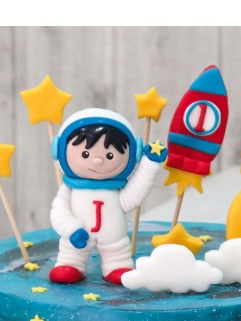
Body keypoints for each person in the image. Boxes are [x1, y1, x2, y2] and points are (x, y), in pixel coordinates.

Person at [49, 108, 167, 284]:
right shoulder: (69, 190)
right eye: (86, 154)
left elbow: (132, 199)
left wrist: (149, 164)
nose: (98, 160)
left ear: (133, 154)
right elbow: (58, 212)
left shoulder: (116, 191)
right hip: (76, 238)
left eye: (110, 155)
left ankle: (116, 266)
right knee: (71, 252)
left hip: (114, 239)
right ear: (59, 150)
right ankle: (71, 265)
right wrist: (71, 229)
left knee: (117, 254)